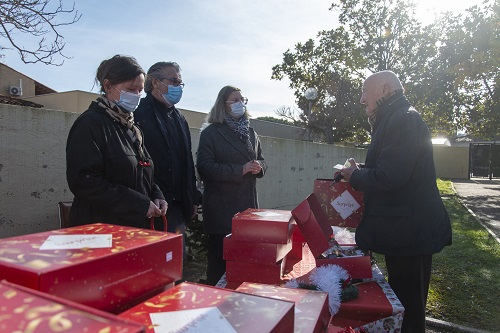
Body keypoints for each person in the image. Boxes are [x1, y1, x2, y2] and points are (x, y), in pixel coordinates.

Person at [341, 70, 452, 333]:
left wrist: (356, 176)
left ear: (386, 89)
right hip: (405, 231)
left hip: (409, 233)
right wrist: (363, 170)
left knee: (409, 308)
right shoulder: (395, 117)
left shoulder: (402, 119)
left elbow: (391, 176)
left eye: (365, 92)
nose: (361, 100)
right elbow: (394, 167)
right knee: (407, 301)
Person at [66, 55, 167, 228]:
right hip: (100, 230)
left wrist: (156, 194)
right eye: (130, 89)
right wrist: (138, 204)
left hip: (131, 228)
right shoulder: (90, 124)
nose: (136, 95)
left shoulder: (131, 128)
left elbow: (140, 172)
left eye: (139, 90)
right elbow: (84, 181)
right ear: (108, 86)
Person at [196, 86, 267, 285]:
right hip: (221, 210)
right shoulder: (211, 133)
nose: (240, 103)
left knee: (245, 263)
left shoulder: (252, 133)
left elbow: (262, 160)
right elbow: (205, 167)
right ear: (223, 105)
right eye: (234, 100)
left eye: (242, 99)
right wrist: (240, 169)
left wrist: (259, 167)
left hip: (247, 209)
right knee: (219, 264)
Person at [134, 62, 200, 256]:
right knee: (152, 264)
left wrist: (192, 197)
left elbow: (187, 160)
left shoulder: (180, 118)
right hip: (151, 206)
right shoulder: (138, 113)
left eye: (180, 82)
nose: (178, 86)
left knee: (175, 264)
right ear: (155, 82)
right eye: (174, 80)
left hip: (178, 206)